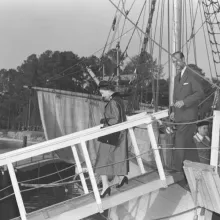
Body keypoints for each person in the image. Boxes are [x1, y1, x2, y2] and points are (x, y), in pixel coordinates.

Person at [170, 51, 204, 171]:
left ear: (183, 59)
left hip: (189, 116)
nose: (176, 64)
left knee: (179, 140)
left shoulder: (191, 74)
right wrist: (174, 111)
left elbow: (199, 93)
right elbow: (175, 97)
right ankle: (198, 168)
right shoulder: (176, 77)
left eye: (178, 61)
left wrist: (184, 102)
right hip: (180, 116)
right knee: (188, 144)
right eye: (174, 62)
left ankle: (177, 170)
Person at [95, 81, 129, 198]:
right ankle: (121, 177)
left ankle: (105, 187)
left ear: (108, 90)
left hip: (111, 135)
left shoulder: (113, 102)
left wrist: (105, 121)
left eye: (102, 92)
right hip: (118, 134)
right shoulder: (119, 100)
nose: (102, 95)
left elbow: (114, 120)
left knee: (102, 159)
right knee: (115, 156)